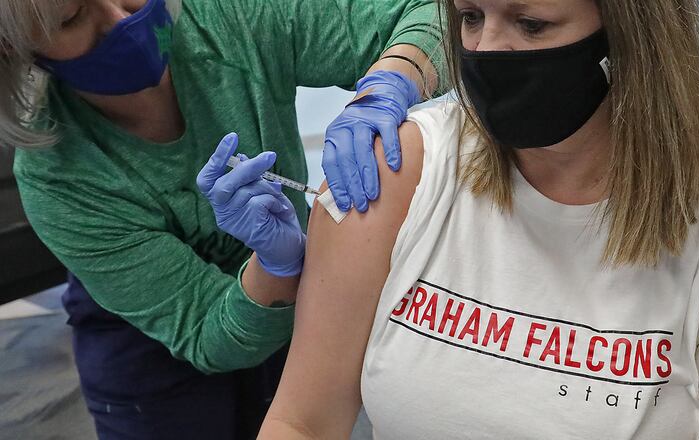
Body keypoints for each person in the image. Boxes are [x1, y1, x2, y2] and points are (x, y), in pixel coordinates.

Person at [258, 0, 699, 438]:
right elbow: (301, 423)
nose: (486, 49)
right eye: (470, 16)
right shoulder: (395, 172)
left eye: (531, 24)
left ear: (630, 38)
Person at [4, 0, 444, 438]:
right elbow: (205, 330)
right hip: (154, 352)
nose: (122, 19)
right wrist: (276, 266)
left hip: (292, 305)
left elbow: (434, 13)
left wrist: (391, 82)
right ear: (15, 49)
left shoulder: (228, 16)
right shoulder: (57, 177)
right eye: (71, 19)